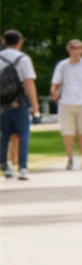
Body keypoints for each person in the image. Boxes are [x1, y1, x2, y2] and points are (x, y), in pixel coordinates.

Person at [50, 40, 82, 170]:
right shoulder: (62, 65)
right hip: (67, 102)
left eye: (78, 48)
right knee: (68, 132)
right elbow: (55, 83)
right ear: (69, 50)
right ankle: (70, 157)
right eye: (73, 48)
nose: (76, 51)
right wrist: (54, 92)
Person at [0, 29, 38, 180]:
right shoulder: (23, 59)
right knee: (23, 134)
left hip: (1, 103)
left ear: (4, 41)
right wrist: (35, 104)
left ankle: (5, 166)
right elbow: (29, 82)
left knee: (4, 135)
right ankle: (22, 167)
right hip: (19, 102)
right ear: (20, 42)